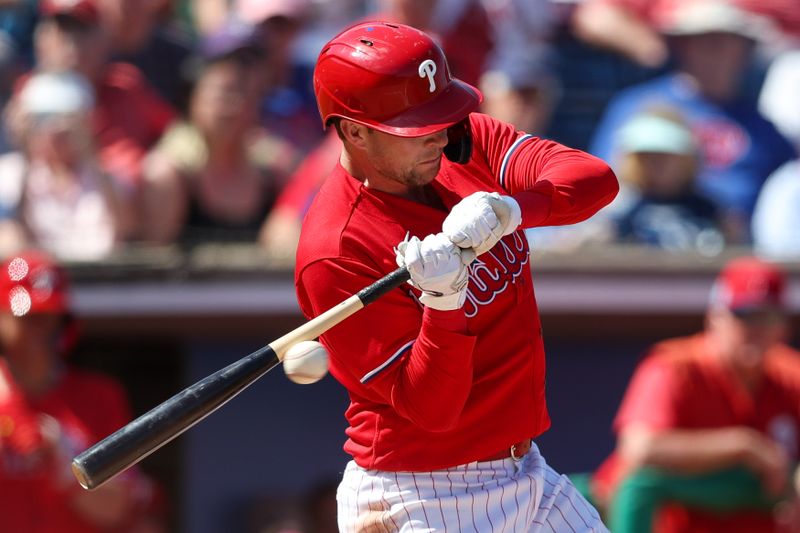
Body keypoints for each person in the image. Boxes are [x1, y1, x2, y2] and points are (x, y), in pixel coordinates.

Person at [294, 21, 618, 531]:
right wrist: (444, 303)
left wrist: (513, 208)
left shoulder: (465, 144)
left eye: (439, 116)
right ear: (354, 130)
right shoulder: (335, 250)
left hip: (526, 467)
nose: (439, 135)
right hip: (424, 491)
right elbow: (432, 409)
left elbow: (597, 180)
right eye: (415, 126)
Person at [590, 257, 800, 532]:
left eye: (767, 317)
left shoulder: (788, 373)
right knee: (641, 481)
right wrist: (744, 446)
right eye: (745, 316)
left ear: (783, 325)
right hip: (659, 523)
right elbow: (639, 448)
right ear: (715, 317)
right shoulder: (675, 366)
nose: (756, 330)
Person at [587, 0, 795, 244]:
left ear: (745, 51)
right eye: (706, 42)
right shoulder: (637, 105)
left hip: (738, 248)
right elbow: (603, 184)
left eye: (727, 43)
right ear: (683, 47)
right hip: (645, 241)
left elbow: (787, 193)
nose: (717, 54)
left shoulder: (762, 128)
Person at [0, 249, 151, 532]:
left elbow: (120, 508)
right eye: (27, 316)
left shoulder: (100, 396)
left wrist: (67, 468)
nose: (40, 329)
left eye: (49, 316)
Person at [140, 21, 299, 245]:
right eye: (226, 91)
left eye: (249, 92)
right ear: (194, 91)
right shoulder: (168, 173)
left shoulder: (276, 170)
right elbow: (150, 267)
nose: (236, 105)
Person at [0, 70, 135, 260]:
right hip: (36, 284)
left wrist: (91, 154)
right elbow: (14, 235)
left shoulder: (108, 177)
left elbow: (126, 230)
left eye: (68, 117)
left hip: (101, 282)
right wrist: (25, 153)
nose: (55, 130)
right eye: (43, 119)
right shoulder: (8, 174)